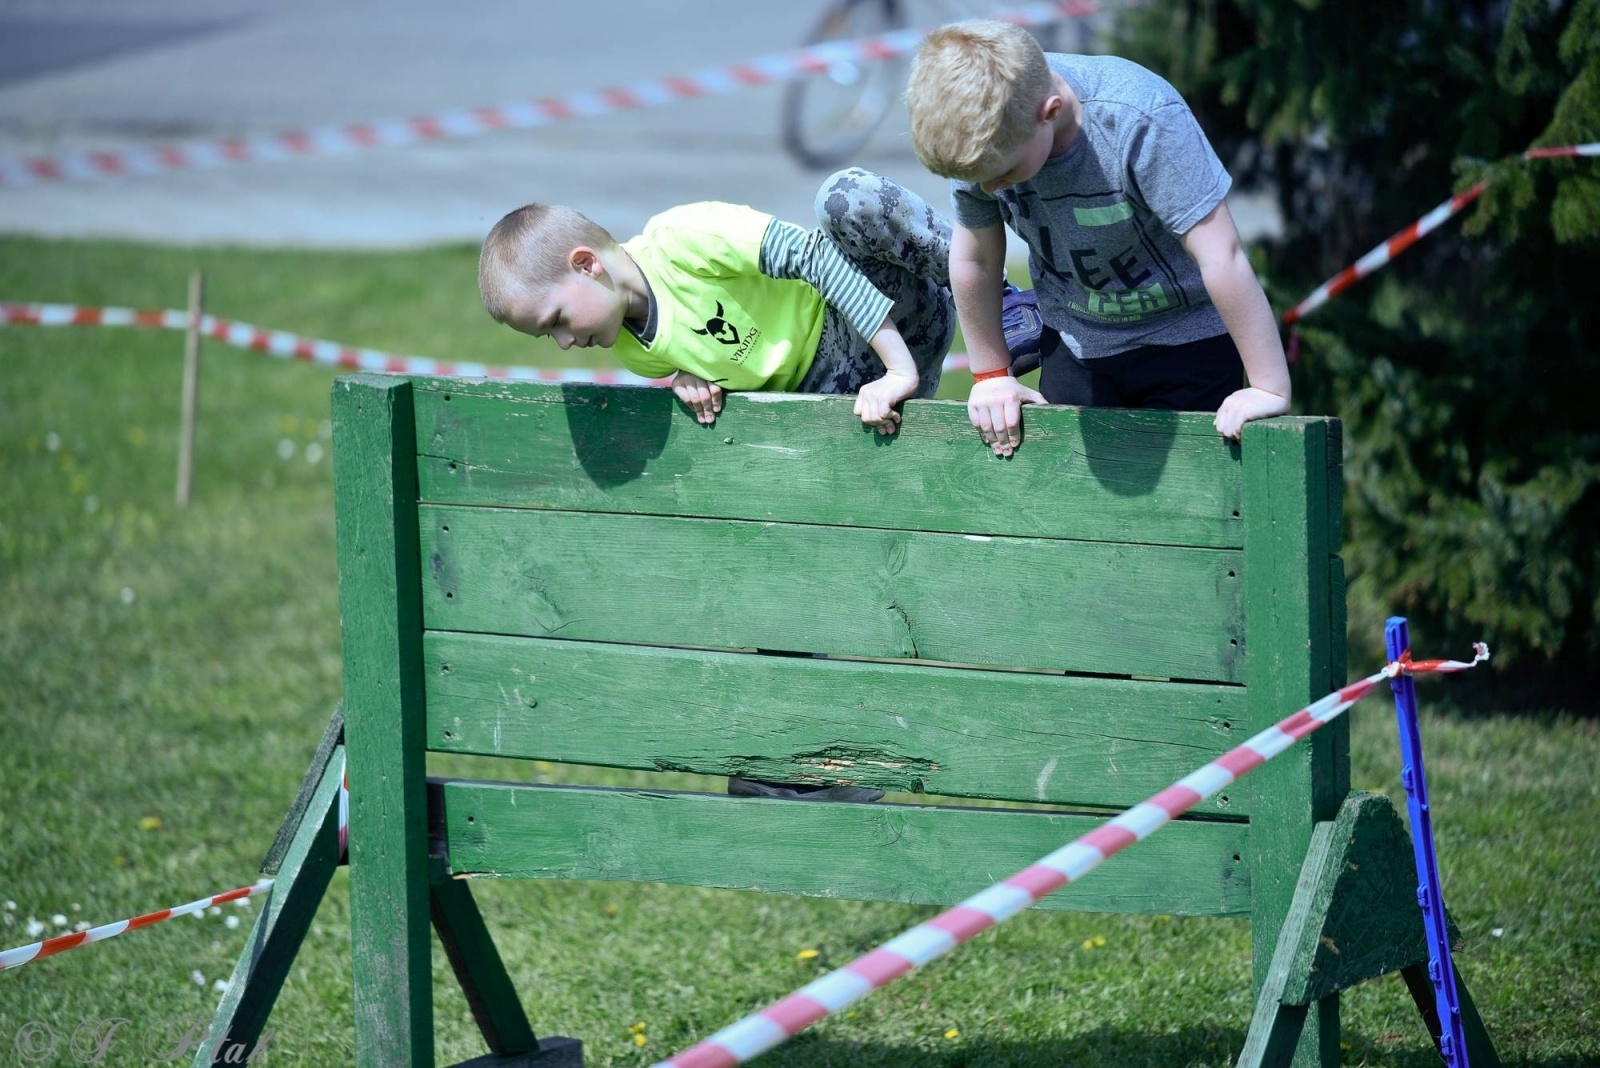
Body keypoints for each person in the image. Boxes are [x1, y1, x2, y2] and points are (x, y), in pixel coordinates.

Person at [904, 20, 1292, 456]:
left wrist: (1268, 385)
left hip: (1188, 339)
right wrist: (991, 377)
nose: (990, 190)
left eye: (1003, 176)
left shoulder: (1140, 120)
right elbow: (976, 260)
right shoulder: (986, 143)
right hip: (1077, 340)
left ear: (1049, 112)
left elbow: (1222, 256)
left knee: (1187, 502)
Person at [477, 168, 956, 438]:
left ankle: (996, 298)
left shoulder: (683, 237)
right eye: (549, 336)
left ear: (585, 264)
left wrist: (897, 369)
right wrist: (694, 381)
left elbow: (816, 258)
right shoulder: (632, 351)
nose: (562, 343)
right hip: (847, 395)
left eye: (556, 320)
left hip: (882, 320)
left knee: (843, 197)